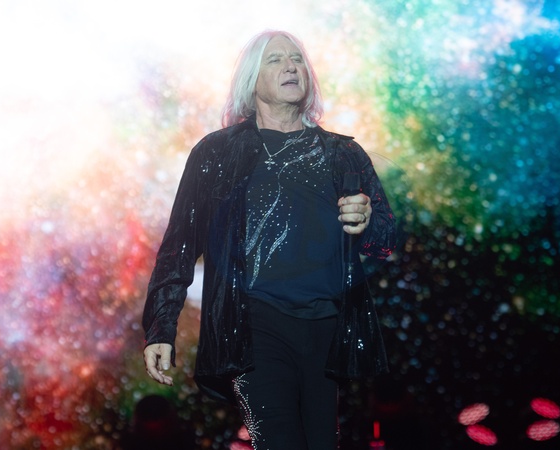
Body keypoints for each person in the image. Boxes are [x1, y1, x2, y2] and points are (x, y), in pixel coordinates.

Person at [142, 30, 396, 450]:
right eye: (275, 59)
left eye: (297, 59)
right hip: (254, 325)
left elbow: (385, 237)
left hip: (327, 328)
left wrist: (367, 220)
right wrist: (161, 327)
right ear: (251, 80)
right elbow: (179, 246)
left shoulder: (342, 153)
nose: (290, 66)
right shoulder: (217, 153)